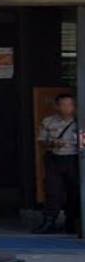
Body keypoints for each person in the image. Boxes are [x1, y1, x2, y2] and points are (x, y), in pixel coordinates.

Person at [35, 94, 80, 234]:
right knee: (52, 191)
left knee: (75, 191)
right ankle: (49, 221)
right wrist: (53, 143)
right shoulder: (49, 121)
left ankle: (72, 221)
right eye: (63, 105)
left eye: (70, 105)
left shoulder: (80, 120)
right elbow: (41, 141)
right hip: (55, 158)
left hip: (74, 159)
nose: (67, 108)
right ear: (57, 106)